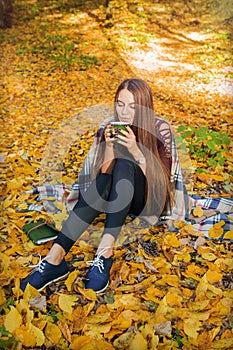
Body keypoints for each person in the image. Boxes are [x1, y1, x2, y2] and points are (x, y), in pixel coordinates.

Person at [20, 78, 189, 293]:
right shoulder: (109, 126)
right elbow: (102, 179)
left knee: (127, 162)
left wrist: (136, 151)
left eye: (132, 106)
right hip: (116, 198)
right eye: (120, 104)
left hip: (149, 201)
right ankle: (56, 257)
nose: (125, 112)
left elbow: (162, 186)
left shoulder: (160, 129)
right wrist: (109, 147)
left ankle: (104, 252)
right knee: (113, 170)